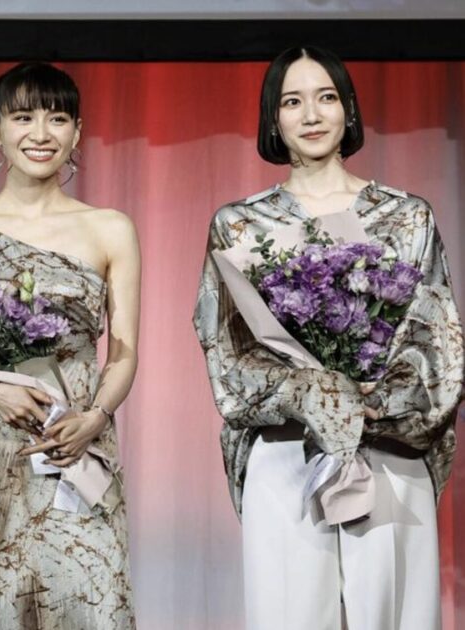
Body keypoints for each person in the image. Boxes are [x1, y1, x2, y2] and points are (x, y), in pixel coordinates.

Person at [193, 46, 464, 630]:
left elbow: (436, 338)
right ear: (273, 118)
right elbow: (228, 348)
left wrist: (369, 401)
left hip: (386, 444)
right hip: (287, 450)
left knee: (395, 615)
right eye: (293, 101)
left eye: (326, 98)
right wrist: (309, 393)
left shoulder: (406, 216)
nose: (311, 115)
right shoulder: (241, 225)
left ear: (349, 110)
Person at [0, 62, 140, 629]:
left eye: (57, 118)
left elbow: (124, 351)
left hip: (77, 443)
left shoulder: (110, 228)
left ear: (78, 131)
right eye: (23, 118)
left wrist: (96, 418)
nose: (41, 133)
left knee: (93, 606)